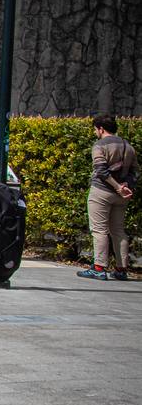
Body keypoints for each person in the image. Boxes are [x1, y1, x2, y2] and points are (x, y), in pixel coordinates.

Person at [77, 114, 136, 281]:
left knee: (99, 230)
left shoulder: (99, 145)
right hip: (122, 195)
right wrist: (124, 187)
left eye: (95, 129)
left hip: (101, 192)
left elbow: (101, 171)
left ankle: (99, 268)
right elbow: (134, 171)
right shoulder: (128, 146)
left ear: (101, 129)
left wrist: (116, 187)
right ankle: (121, 269)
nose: (95, 132)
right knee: (118, 230)